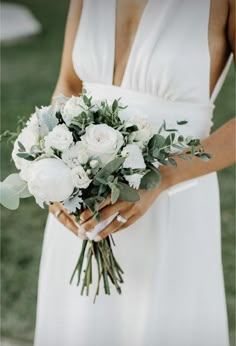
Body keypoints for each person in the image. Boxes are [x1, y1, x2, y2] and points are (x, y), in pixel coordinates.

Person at [34, 1, 235, 345]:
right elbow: (68, 84)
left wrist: (163, 179)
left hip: (172, 203)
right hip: (82, 207)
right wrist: (50, 168)